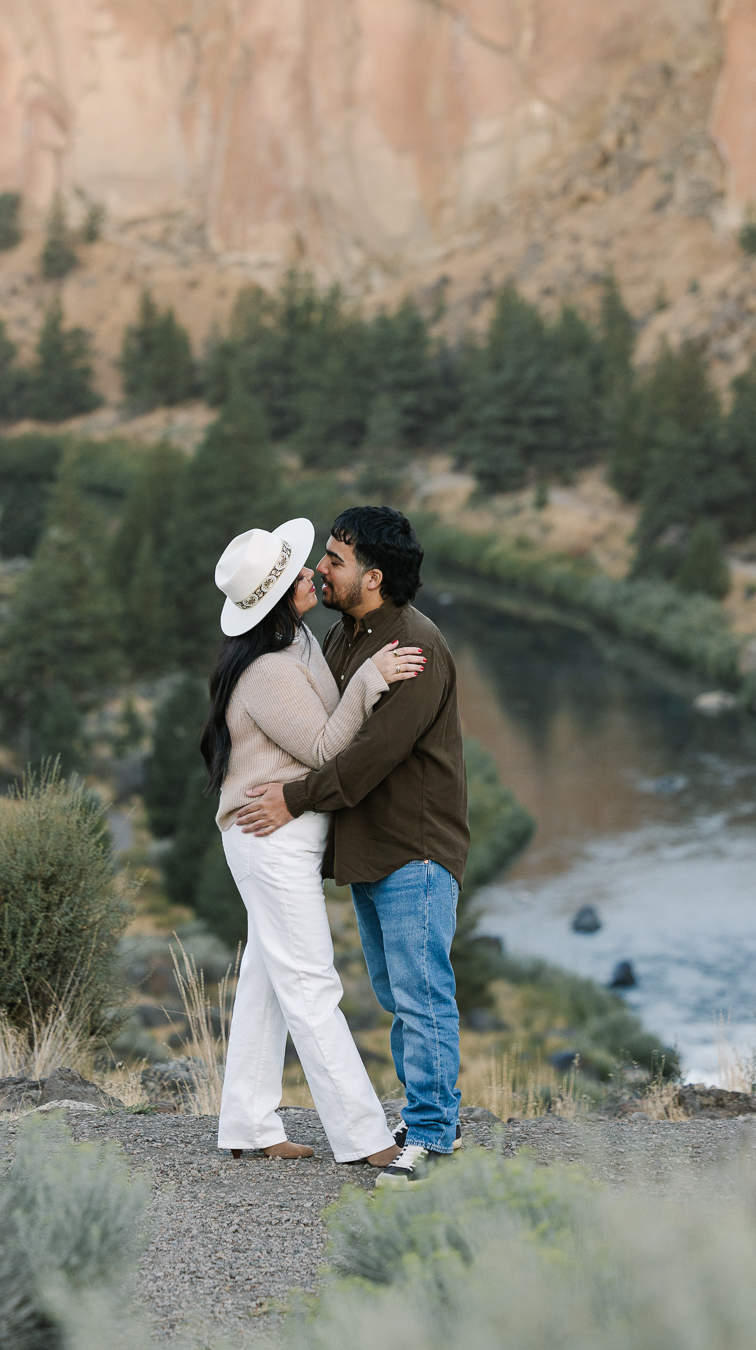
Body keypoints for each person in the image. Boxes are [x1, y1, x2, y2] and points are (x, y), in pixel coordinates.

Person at [236, 506, 468, 1187]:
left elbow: (368, 758)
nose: (319, 569)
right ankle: (430, 1118)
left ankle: (429, 1135)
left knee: (422, 994)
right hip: (373, 849)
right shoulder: (347, 636)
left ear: (373, 575)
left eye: (333, 560)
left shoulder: (413, 648)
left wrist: (292, 800)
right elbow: (325, 728)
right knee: (400, 992)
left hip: (414, 849)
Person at [205, 515, 426, 1167]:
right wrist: (369, 681)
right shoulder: (269, 672)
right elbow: (328, 748)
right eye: (296, 572)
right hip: (269, 839)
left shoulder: (298, 642)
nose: (311, 573)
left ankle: (247, 1122)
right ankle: (363, 1140)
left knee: (269, 982)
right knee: (310, 984)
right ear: (276, 598)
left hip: (283, 838)